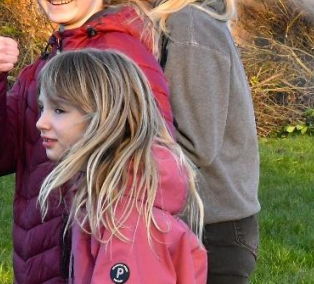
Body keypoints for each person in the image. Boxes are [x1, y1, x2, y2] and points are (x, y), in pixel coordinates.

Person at [0, 0, 173, 284]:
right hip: (44, 262)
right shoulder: (49, 60)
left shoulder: (119, 55)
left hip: (92, 265)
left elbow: (158, 170)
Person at [106, 0, 261, 284]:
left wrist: (109, 157)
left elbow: (195, 145)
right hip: (192, 221)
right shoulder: (174, 21)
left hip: (214, 230)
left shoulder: (189, 26)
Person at [36, 49, 207, 283]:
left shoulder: (125, 220)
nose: (40, 122)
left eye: (59, 110)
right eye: (41, 108)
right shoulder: (110, 197)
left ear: (105, 117)